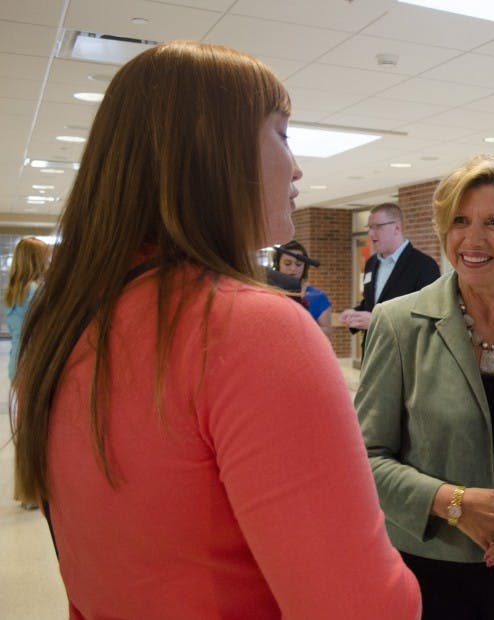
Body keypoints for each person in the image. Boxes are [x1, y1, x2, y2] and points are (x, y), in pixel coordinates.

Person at [11, 41, 419, 619]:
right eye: (281, 133)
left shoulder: (64, 326)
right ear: (214, 151)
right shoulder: (252, 327)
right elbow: (363, 608)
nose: (297, 165)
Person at [356, 154, 494, 619]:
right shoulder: (399, 324)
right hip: (428, 571)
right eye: (460, 220)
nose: (471, 239)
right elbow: (365, 459)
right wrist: (453, 503)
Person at [338, 202, 439, 349]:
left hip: (404, 356)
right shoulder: (371, 263)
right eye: (370, 228)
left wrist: (378, 322)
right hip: (373, 352)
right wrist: (355, 314)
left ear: (397, 228)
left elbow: (428, 318)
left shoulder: (424, 266)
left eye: (377, 227)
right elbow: (372, 304)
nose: (371, 234)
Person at [4, 235, 48, 510]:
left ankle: (26, 490)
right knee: (36, 429)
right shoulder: (36, 291)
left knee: (25, 428)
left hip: (17, 362)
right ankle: (32, 491)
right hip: (34, 362)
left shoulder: (13, 291)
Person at [272, 240, 332, 337]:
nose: (293, 269)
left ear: (305, 266)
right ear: (278, 264)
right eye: (287, 263)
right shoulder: (269, 293)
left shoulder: (317, 296)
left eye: (298, 264)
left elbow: (327, 334)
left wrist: (301, 327)